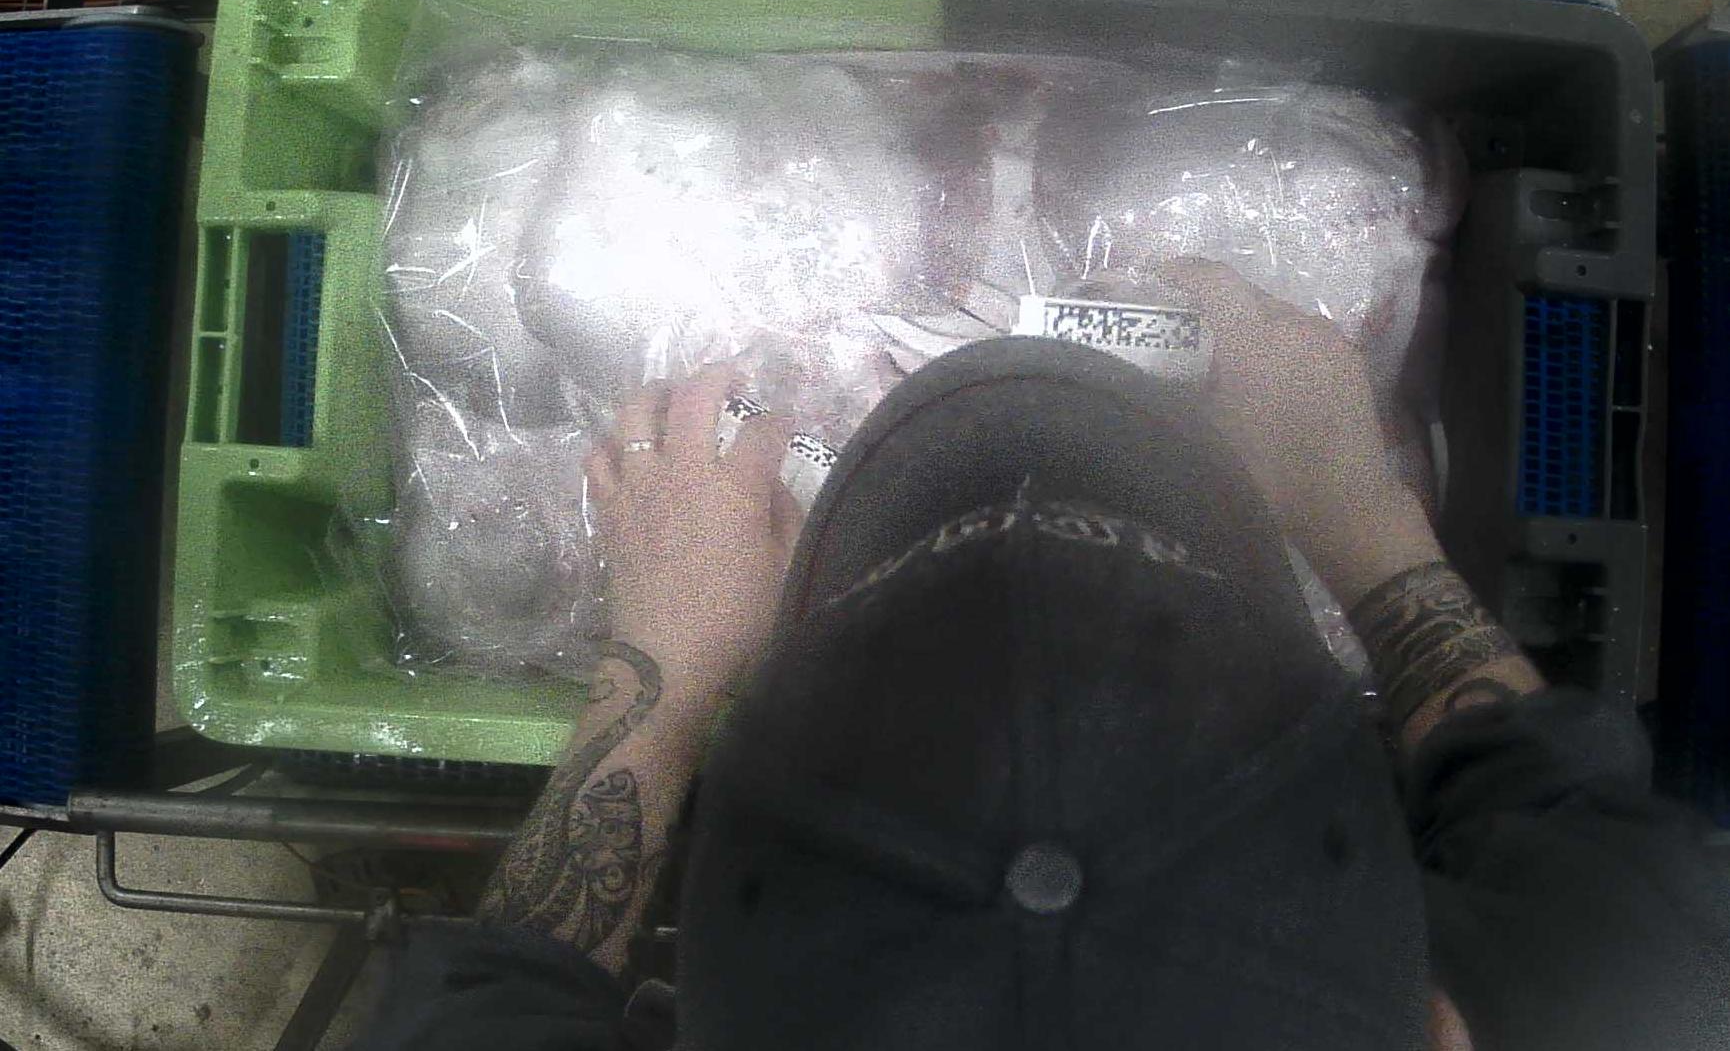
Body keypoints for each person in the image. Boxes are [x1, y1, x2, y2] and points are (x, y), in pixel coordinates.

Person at [358, 261, 1730, 1051]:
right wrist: (1362, 516)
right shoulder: (1649, 975)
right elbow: (1548, 809)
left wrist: (660, 671)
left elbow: (485, 1002)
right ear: (1440, 1030)